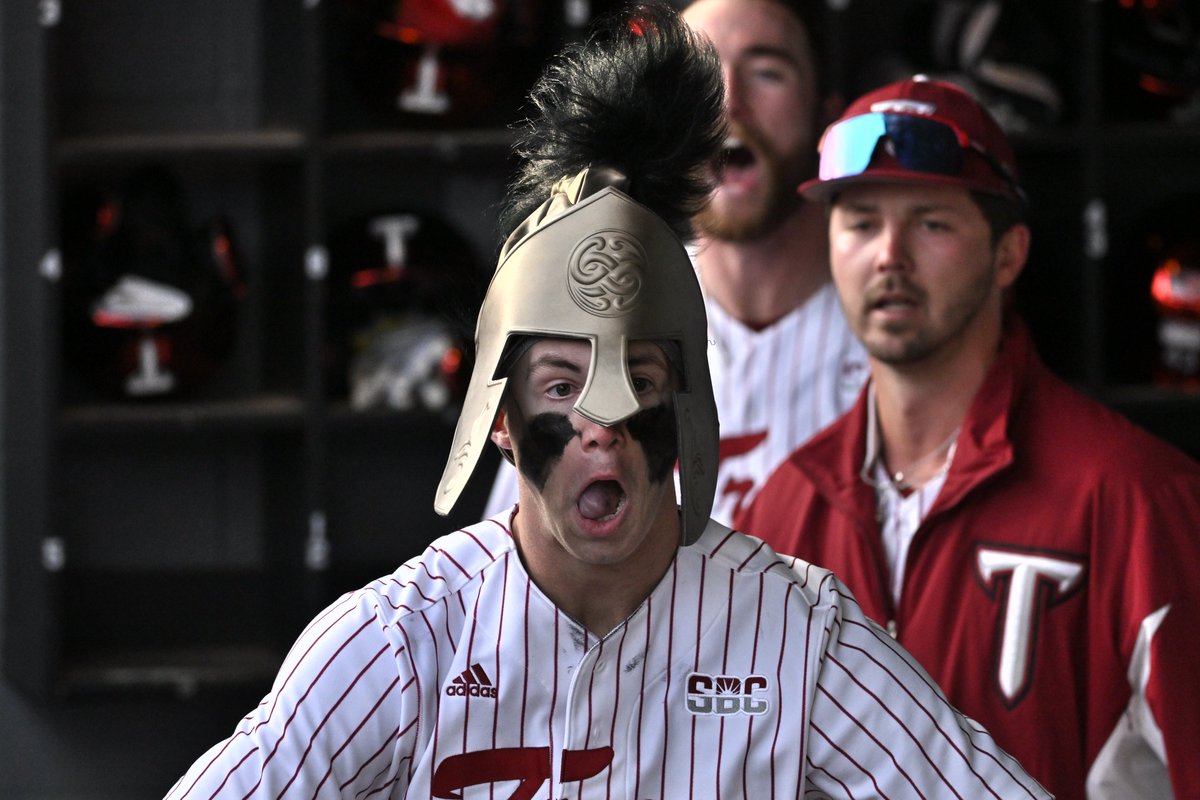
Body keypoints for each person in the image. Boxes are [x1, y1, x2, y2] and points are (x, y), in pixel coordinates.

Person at [164, 10, 1049, 799]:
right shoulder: (406, 642)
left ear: (689, 415)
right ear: (500, 421)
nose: (604, 424)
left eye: (645, 382)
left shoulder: (795, 633)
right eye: (560, 385)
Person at [737, 75, 1200, 800]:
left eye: (931, 223)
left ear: (1008, 255)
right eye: (860, 221)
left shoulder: (1137, 499)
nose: (888, 254)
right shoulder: (780, 517)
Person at [483, 0, 868, 526]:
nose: (730, 102)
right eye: (697, 79)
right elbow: (522, 565)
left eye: (768, 72)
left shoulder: (893, 330)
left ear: (827, 115)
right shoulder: (598, 319)